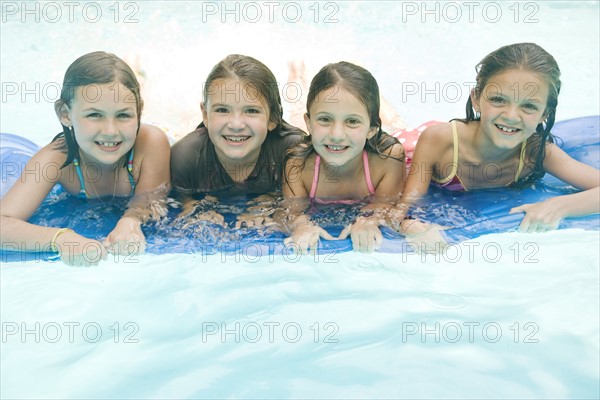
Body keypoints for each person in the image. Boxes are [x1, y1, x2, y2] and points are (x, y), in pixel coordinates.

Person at [398, 42, 600, 234]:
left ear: (545, 113)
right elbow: (406, 206)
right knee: (395, 127)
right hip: (411, 149)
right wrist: (414, 228)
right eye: (498, 100)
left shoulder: (537, 151)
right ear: (476, 99)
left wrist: (559, 206)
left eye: (529, 106)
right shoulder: (439, 141)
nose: (511, 116)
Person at [0, 51, 171, 266]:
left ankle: (136, 72)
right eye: (94, 115)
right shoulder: (57, 160)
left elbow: (153, 199)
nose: (110, 131)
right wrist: (60, 238)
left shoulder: (150, 143)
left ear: (139, 112)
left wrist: (132, 220)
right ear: (65, 114)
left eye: (124, 115)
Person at [276, 61, 407, 254]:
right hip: (313, 142)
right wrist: (301, 225)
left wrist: (369, 220)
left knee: (396, 122)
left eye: (352, 121)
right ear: (310, 123)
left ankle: (376, 101)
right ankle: (297, 75)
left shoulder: (388, 159)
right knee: (296, 115)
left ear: (371, 130)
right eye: (324, 119)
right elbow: (290, 213)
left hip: (366, 138)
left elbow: (385, 207)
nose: (337, 134)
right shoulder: (298, 164)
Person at [170, 54, 306, 228]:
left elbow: (296, 206)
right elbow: (180, 200)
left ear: (272, 118)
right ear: (205, 115)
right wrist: (194, 207)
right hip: (201, 138)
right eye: (222, 110)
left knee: (298, 113)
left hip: (282, 133)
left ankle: (297, 75)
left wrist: (273, 205)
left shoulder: (292, 151)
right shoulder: (185, 156)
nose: (235, 125)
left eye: (251, 111)